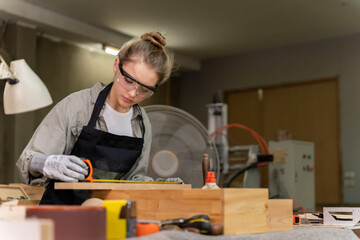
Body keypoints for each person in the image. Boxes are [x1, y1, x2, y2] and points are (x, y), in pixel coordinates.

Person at [16, 32, 176, 205]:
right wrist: (47, 163)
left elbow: (131, 180)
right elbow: (27, 160)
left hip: (108, 219)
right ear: (116, 65)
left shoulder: (142, 123)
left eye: (144, 89)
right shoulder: (76, 106)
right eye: (129, 80)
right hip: (59, 215)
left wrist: (155, 187)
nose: (132, 93)